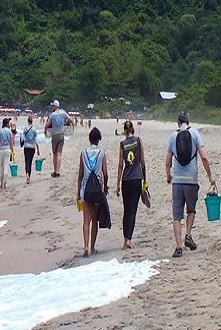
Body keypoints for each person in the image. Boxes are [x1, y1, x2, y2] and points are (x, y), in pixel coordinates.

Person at [165, 111, 216, 258]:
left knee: (176, 214)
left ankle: (178, 247)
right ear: (189, 121)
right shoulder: (195, 134)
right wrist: (210, 176)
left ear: (177, 122)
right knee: (191, 210)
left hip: (178, 181)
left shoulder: (172, 136)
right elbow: (204, 157)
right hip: (191, 179)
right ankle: (188, 234)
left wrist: (169, 176)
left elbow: (168, 161)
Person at [76, 127, 109, 257]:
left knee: (86, 221)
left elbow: (80, 174)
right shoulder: (101, 153)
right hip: (97, 189)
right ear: (99, 139)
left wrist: (78, 193)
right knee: (95, 220)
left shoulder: (83, 152)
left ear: (89, 139)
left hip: (85, 189)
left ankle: (85, 247)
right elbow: (105, 173)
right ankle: (93, 247)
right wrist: (105, 187)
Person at [115, 120, 147, 250]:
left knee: (126, 210)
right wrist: (145, 180)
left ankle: (125, 240)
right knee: (133, 210)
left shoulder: (122, 144)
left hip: (126, 180)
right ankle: (129, 239)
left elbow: (120, 165)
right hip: (136, 179)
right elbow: (142, 161)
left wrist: (117, 184)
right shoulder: (139, 141)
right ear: (133, 129)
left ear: (124, 130)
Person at [44, 99, 74, 177]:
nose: (52, 107)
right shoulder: (63, 113)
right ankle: (58, 171)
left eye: (52, 106)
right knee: (59, 153)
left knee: (54, 154)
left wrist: (45, 133)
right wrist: (71, 128)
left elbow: (46, 125)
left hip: (54, 135)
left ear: (55, 106)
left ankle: (55, 171)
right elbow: (71, 120)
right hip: (61, 135)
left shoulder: (52, 115)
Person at [0, 117, 15, 189]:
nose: (10, 124)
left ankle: (1, 183)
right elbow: (11, 143)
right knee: (6, 166)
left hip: (1, 150)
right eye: (9, 123)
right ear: (7, 123)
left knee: (1, 167)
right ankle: (5, 183)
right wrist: (13, 151)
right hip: (7, 150)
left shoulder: (0, 131)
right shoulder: (9, 132)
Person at [21, 115, 41, 184]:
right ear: (32, 121)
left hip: (26, 147)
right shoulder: (34, 129)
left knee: (27, 161)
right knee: (30, 162)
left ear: (27, 121)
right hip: (32, 147)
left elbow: (23, 138)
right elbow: (36, 140)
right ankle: (29, 176)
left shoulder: (25, 128)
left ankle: (27, 175)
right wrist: (38, 149)